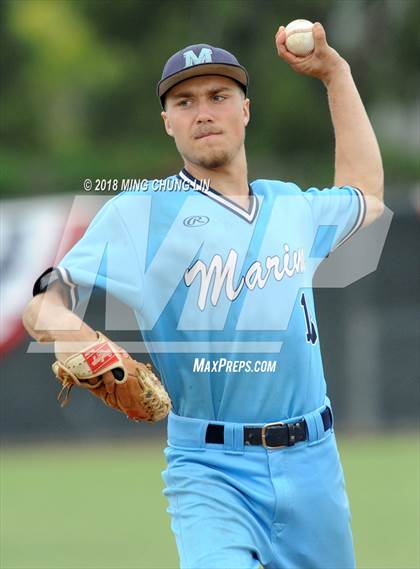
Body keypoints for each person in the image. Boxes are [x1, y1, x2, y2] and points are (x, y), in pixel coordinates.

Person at [23, 23, 384, 569]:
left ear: (245, 110)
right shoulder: (140, 213)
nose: (203, 112)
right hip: (212, 470)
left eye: (219, 96)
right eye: (185, 101)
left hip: (315, 464)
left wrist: (336, 74)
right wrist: (70, 332)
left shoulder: (290, 205)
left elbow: (367, 195)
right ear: (168, 122)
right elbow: (44, 300)